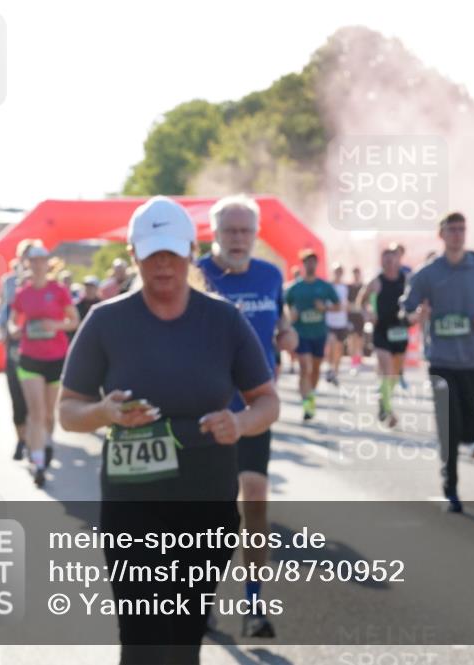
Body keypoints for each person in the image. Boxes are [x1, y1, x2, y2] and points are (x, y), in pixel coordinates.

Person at [59, 196, 279, 665]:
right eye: (152, 254)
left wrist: (240, 422)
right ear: (134, 255)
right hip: (132, 502)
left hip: (206, 499)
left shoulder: (223, 319)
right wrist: (104, 411)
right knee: (143, 637)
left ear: (191, 253)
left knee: (183, 638)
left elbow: (267, 400)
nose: (163, 264)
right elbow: (68, 411)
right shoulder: (106, 321)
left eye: (172, 254)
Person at [198, 194, 296, 638]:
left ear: (256, 234)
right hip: (207, 410)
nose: (238, 239)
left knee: (254, 500)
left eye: (245, 231)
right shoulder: (195, 275)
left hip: (255, 408)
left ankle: (254, 604)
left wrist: (287, 334)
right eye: (230, 231)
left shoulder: (270, 275)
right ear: (215, 234)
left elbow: (281, 320)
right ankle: (203, 599)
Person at [402, 212, 474, 513]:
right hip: (441, 361)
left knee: (472, 425)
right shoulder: (427, 273)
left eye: (461, 229)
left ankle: (472, 438)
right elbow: (406, 310)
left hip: (473, 359)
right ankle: (450, 485)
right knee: (449, 426)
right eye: (452, 229)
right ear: (440, 234)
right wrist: (417, 315)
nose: (457, 234)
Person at [10, 244, 79, 487]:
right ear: (28, 264)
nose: (38, 264)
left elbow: (74, 320)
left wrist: (55, 325)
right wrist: (15, 329)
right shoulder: (23, 293)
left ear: (48, 263)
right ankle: (38, 462)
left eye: (42, 260)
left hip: (56, 358)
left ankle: (47, 442)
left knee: (49, 413)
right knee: (36, 412)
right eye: (33, 260)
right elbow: (12, 322)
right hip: (30, 358)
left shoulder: (58, 290)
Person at [285, 250, 341, 422]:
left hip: (319, 333)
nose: (310, 265)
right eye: (307, 262)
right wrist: (290, 315)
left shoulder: (324, 286)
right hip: (301, 334)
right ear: (302, 265)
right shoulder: (294, 288)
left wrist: (325, 308)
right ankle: (307, 405)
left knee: (315, 369)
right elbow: (284, 307)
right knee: (304, 367)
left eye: (313, 262)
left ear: (316, 264)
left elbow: (338, 306)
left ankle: (310, 396)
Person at [358, 248, 408, 427]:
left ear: (398, 260)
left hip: (400, 330)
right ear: (381, 262)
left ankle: (383, 399)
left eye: (392, 259)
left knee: (395, 372)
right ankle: (388, 410)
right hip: (381, 330)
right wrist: (368, 313)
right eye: (385, 260)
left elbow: (416, 299)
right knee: (387, 369)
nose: (389, 263)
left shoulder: (406, 280)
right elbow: (361, 301)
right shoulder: (376, 282)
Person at [0, 253, 30, 460]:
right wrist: (1, 328)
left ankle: (36, 445)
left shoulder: (44, 285)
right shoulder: (8, 282)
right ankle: (21, 439)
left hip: (38, 348)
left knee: (35, 399)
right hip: (15, 345)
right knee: (17, 395)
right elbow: (0, 307)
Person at [324, 263, 350, 386]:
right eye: (336, 271)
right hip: (330, 322)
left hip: (342, 322)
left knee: (339, 348)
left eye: (340, 271)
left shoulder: (345, 287)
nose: (338, 274)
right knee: (331, 345)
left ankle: (336, 372)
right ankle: (329, 368)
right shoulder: (328, 287)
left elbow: (347, 304)